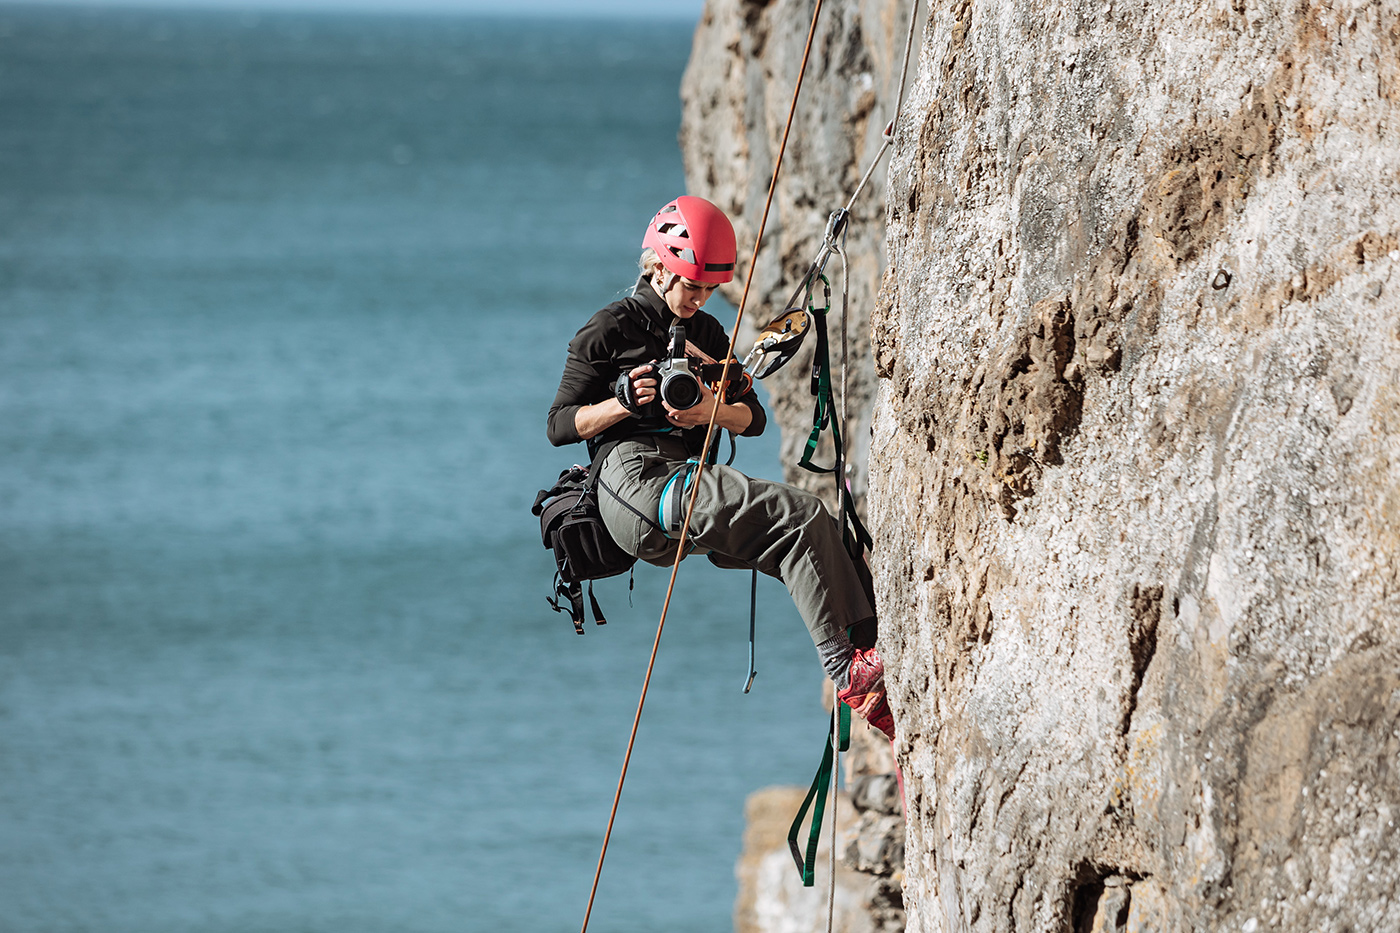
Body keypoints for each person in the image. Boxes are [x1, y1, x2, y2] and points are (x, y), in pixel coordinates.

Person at [546, 195, 894, 741]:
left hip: (678, 483)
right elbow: (559, 425)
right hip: (631, 481)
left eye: (709, 289)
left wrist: (710, 409)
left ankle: (873, 664)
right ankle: (847, 669)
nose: (700, 298)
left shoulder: (707, 335)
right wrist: (625, 404)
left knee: (816, 533)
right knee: (797, 517)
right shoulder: (609, 328)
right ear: (658, 267)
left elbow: (752, 418)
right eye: (691, 285)